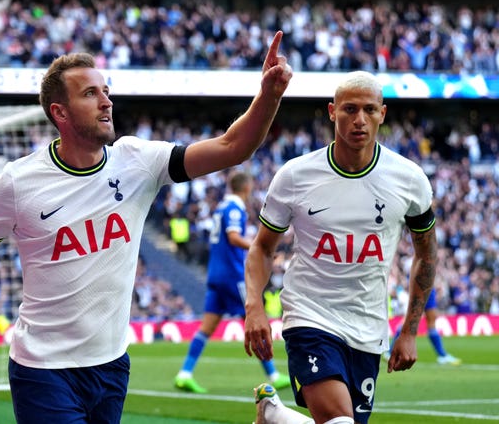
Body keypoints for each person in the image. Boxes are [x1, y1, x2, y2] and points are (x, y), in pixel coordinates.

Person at [0, 30, 293, 423]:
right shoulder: (17, 182)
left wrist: (269, 95)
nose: (106, 101)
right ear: (60, 113)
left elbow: (233, 147)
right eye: (90, 94)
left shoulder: (135, 160)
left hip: (112, 365)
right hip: (43, 370)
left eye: (106, 90)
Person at [243, 70, 437, 424]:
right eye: (349, 109)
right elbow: (262, 248)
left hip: (368, 328)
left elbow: (426, 255)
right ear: (332, 112)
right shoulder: (295, 176)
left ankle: (274, 416)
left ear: (383, 114)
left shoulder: (409, 180)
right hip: (309, 317)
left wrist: (409, 331)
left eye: (368, 110)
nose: (359, 120)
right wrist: (254, 305)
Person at [174, 171, 290, 394]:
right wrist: (259, 248)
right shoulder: (235, 207)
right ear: (246, 187)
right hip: (232, 275)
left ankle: (184, 373)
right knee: (255, 319)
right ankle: (274, 374)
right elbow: (234, 237)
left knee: (207, 327)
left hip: (216, 273)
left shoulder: (220, 207)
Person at [386, 287, 461, 365]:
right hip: (421, 285)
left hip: (430, 287)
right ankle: (390, 352)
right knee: (409, 319)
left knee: (431, 320)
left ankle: (442, 355)